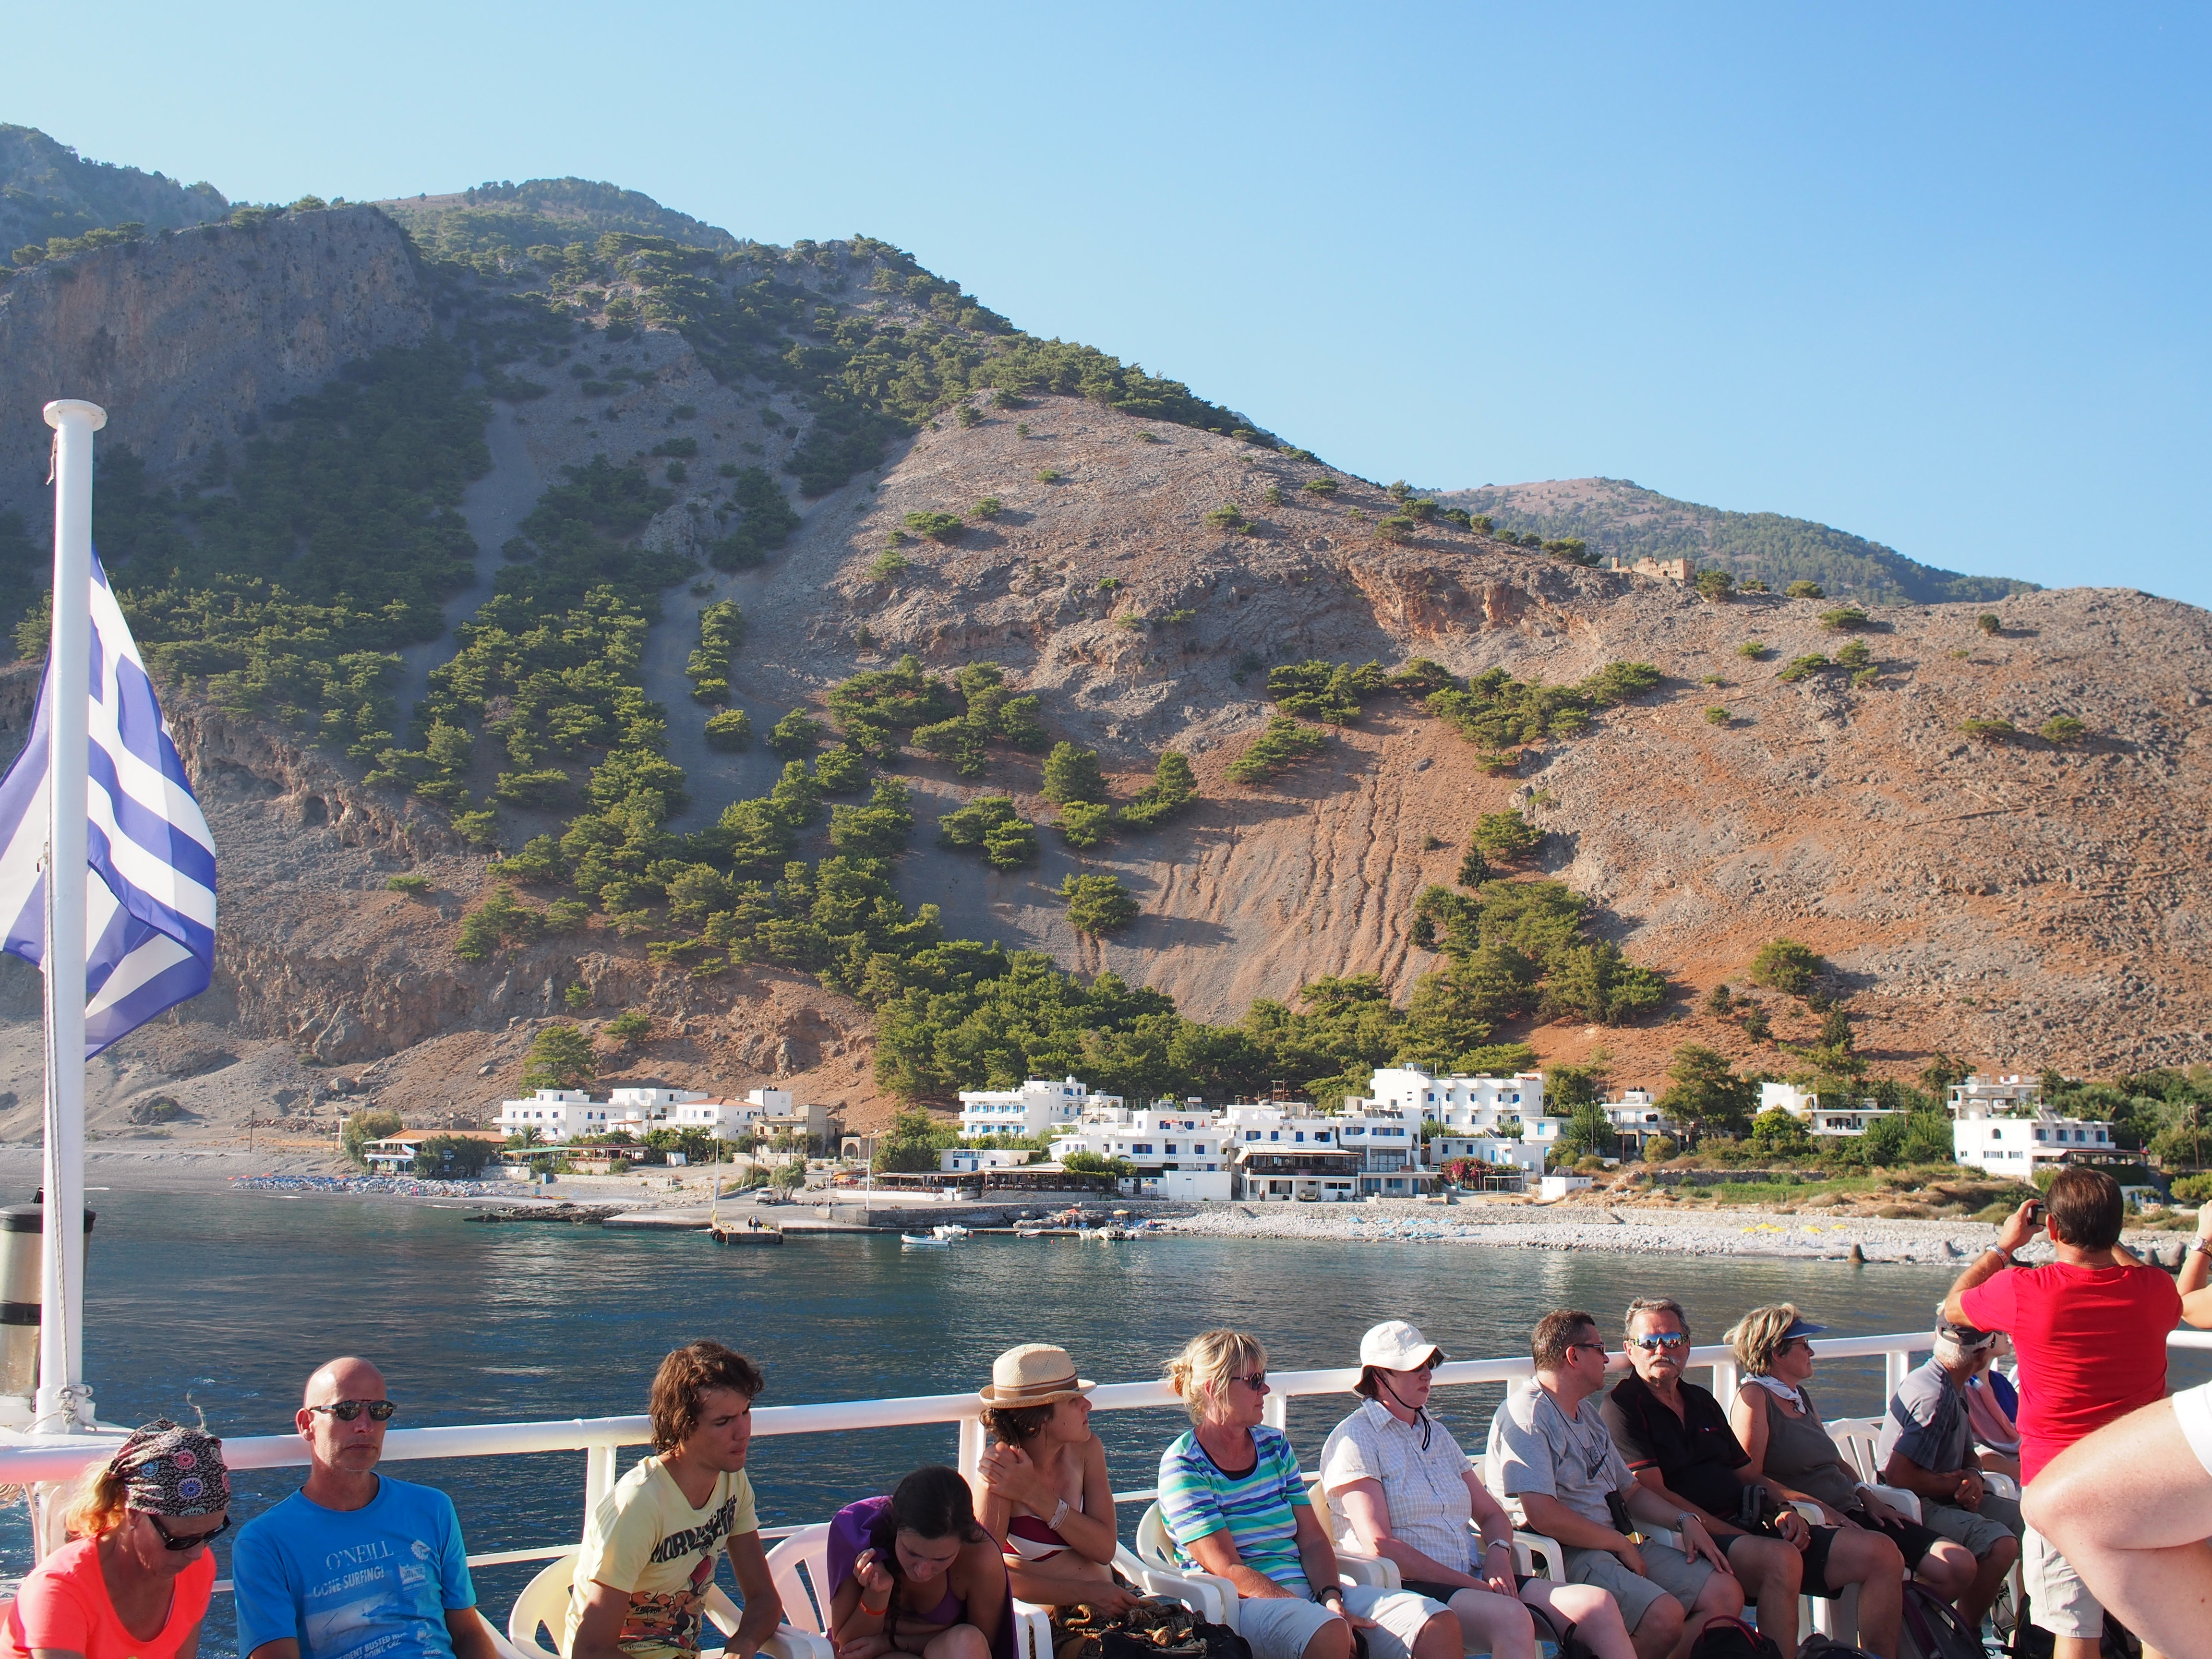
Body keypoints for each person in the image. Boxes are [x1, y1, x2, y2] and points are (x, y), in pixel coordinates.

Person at [1946, 1175, 2189, 1659]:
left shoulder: (2024, 1289)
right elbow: (2162, 1291)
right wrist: (2110, 1240)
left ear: (2052, 1228)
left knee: (2074, 1631)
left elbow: (1955, 1307)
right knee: (2159, 1626)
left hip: (2060, 1486)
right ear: (2116, 1228)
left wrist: (2004, 1246)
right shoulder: (2156, 1291)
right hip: (2144, 1483)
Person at [1601, 1299, 1903, 1659]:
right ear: (1629, 1350)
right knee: (1781, 1559)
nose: (1662, 1350)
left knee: (1881, 1552)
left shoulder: (1701, 1400)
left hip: (1752, 1523)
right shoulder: (1622, 1407)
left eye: (1672, 1339)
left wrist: (1783, 1506)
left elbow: (1746, 1472)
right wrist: (1730, 1533)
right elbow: (1653, 1491)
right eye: (1650, 1342)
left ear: (1687, 1345)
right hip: (1691, 1537)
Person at [1318, 1321, 1635, 1659]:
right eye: (1413, 1368)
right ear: (1379, 1377)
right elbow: (1382, 1544)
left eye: (1430, 1365)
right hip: (1406, 1587)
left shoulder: (1436, 1434)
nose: (1427, 1374)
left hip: (1472, 1577)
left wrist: (1498, 1553)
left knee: (1597, 1604)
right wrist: (1474, 1586)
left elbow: (1490, 1514)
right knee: (1511, 1618)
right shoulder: (1356, 1439)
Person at [1157, 1328, 1458, 1659]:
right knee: (1330, 1631)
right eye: (1255, 1381)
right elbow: (1229, 1570)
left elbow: (1313, 1540)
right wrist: (1319, 1613)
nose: (1266, 1388)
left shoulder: (1274, 1446)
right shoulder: (1185, 1465)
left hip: (1312, 1596)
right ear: (1215, 1389)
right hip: (1244, 1607)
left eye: (1264, 1377)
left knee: (1435, 1620)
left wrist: (1331, 1598)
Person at [1485, 1310, 1744, 1659]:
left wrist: (1686, 1522)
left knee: (1725, 1593)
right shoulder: (1528, 1417)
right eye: (1600, 1348)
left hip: (1617, 1540)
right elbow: (1543, 1515)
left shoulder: (1586, 1413)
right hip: (1566, 1552)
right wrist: (1619, 1546)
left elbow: (1631, 1491)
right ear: (1574, 1356)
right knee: (1663, 1617)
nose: (1608, 1359)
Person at [1722, 1304, 1980, 1618]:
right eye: (1804, 1345)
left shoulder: (1798, 1396)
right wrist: (1825, 1510)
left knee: (1958, 1565)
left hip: (1852, 1510)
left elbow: (1835, 1460)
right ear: (1778, 1352)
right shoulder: (1755, 1398)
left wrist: (1867, 1495)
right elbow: (1751, 1476)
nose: (1812, 1353)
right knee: (1885, 1557)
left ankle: (1912, 1639)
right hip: (1815, 1522)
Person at [233, 1357, 499, 1659]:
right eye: (346, 1411)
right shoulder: (264, 1543)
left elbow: (467, 1632)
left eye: (378, 1411)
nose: (365, 1426)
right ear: (308, 1425)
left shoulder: (432, 1509)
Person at [565, 1342, 783, 1659]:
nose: (743, 1432)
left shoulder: (733, 1481)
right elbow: (591, 1650)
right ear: (683, 1426)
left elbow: (765, 1599)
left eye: (746, 1412)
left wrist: (741, 1647)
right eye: (723, 1422)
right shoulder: (641, 1504)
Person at [2, 1419, 230, 1659]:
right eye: (181, 1540)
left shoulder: (198, 1567)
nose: (196, 1554)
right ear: (134, 1514)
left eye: (210, 1535)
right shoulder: (60, 1588)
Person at [2020, 1381, 2212, 1659]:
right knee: (2156, 1640)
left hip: (2058, 1467)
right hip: (2159, 1478)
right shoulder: (2151, 1332)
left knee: (2075, 1633)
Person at [1872, 1314, 2023, 1632]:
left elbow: (1969, 1453)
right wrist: (1958, 1483)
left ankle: (2024, 1628)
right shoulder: (1934, 1396)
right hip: (1914, 1503)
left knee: (2036, 1523)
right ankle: (1965, 1637)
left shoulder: (1954, 1384)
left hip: (1946, 1495)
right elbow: (1898, 1475)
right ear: (1981, 1356)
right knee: (2001, 1544)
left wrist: (1973, 1475)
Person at [972, 1344, 1135, 1613]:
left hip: (1112, 1604)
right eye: (1073, 1401)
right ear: (1039, 1418)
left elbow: (1105, 1550)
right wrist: (1086, 1594)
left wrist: (1033, 1495)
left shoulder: (1088, 1449)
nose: (1088, 1405)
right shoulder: (1001, 1469)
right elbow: (985, 1575)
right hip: (1054, 1625)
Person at [827, 1465, 1009, 1659]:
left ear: (964, 1542)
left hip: (944, 1652)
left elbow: (985, 1644)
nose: (922, 1570)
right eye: (912, 1553)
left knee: (968, 1641)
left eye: (941, 1559)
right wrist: (878, 1593)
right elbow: (846, 1648)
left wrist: (889, 1643)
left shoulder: (981, 1558)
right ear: (895, 1526)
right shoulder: (857, 1535)